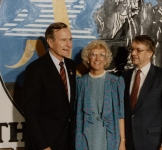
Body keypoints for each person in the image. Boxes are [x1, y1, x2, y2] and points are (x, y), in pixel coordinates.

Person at [23, 22, 76, 150]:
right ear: (50, 42)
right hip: (47, 143)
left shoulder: (71, 66)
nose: (69, 45)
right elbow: (31, 112)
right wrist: (43, 146)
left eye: (70, 39)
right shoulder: (35, 69)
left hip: (70, 141)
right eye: (63, 40)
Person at [122, 35, 162, 150]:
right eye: (132, 49)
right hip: (128, 144)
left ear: (150, 53)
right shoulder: (124, 77)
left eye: (138, 50)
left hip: (153, 143)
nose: (133, 53)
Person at [75, 40, 126, 150]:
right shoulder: (80, 83)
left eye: (102, 55)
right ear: (87, 58)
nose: (97, 59)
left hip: (110, 135)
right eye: (93, 54)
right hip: (86, 134)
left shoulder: (116, 82)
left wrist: (122, 142)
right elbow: (77, 115)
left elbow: (121, 115)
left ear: (106, 59)